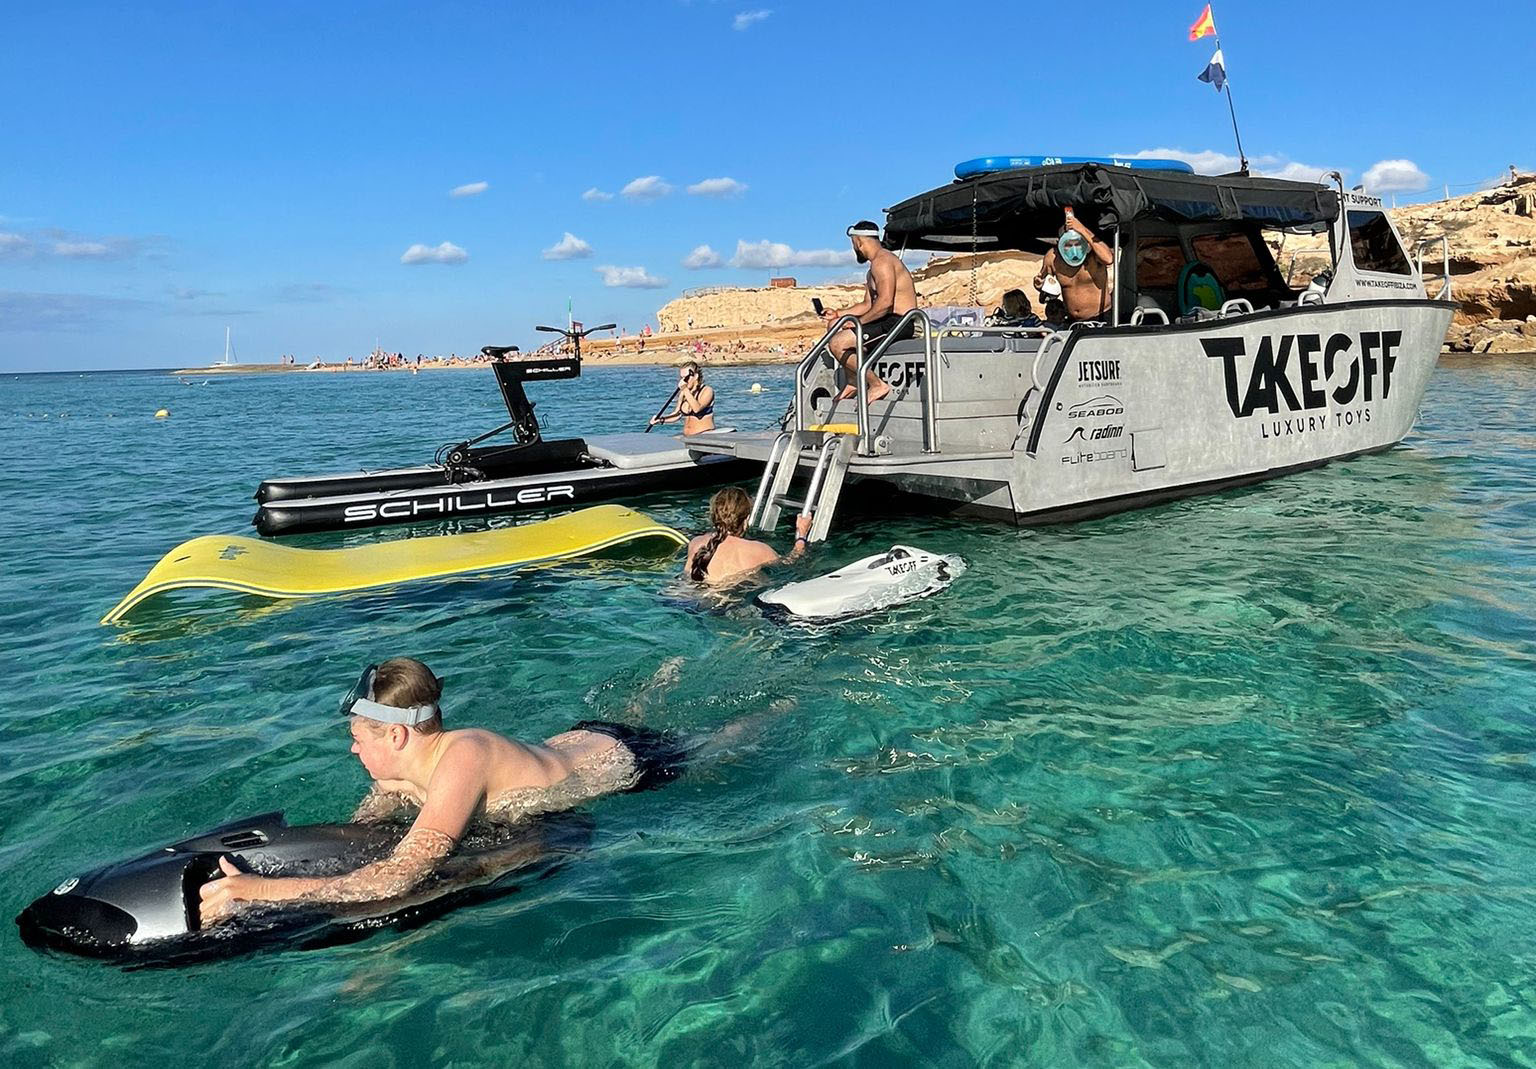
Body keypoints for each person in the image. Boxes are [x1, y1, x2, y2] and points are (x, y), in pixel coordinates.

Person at [198, 658, 688, 922]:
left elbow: (399, 876)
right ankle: (656, 690)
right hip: (572, 740)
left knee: (726, 739)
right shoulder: (394, 776)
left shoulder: (462, 759)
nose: (352, 751)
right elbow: (362, 840)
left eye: (356, 739)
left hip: (632, 763)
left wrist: (264, 891)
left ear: (396, 735)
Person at [823, 221, 919, 403]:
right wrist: (838, 314)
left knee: (837, 344)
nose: (854, 248)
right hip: (887, 320)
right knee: (834, 325)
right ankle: (853, 380)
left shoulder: (883, 262)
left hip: (899, 322)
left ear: (858, 241)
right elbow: (868, 304)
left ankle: (877, 384)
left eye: (853, 244)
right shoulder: (873, 267)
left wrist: (859, 323)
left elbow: (884, 303)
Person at [685, 486, 812, 584]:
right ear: (746, 519)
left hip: (690, 599)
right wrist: (801, 535)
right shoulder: (759, 550)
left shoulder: (696, 543)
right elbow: (792, 562)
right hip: (730, 605)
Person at [1033, 207, 1114, 324]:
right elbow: (1046, 289)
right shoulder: (1053, 257)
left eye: (1078, 244)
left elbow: (1108, 259)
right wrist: (1039, 285)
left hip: (1101, 317)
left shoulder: (1094, 255)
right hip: (1072, 321)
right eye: (1068, 245)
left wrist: (1082, 229)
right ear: (1060, 243)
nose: (1073, 250)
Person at [649, 361, 715, 434]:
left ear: (696, 376)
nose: (683, 381)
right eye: (681, 378)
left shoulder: (707, 390)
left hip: (704, 436)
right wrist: (661, 420)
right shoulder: (684, 393)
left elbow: (697, 409)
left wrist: (684, 389)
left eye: (685, 378)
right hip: (688, 437)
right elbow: (677, 415)